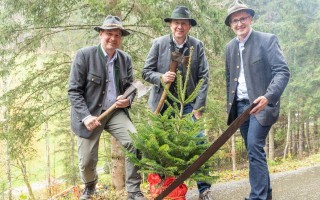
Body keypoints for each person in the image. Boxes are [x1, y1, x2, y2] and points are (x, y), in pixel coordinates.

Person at [68, 15, 146, 200]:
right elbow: (74, 91)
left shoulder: (125, 59)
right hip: (90, 115)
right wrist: (86, 117)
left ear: (121, 38)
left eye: (117, 35)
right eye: (109, 34)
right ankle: (90, 186)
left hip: (115, 113)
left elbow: (131, 88)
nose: (113, 38)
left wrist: (128, 100)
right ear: (100, 34)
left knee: (135, 142)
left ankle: (133, 190)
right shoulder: (84, 56)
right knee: (87, 161)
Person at [142, 6, 213, 200]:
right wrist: (161, 77)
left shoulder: (197, 46)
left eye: (183, 23)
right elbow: (146, 72)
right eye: (176, 23)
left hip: (188, 104)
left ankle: (204, 189)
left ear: (189, 26)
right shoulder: (158, 44)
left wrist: (198, 108)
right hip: (162, 104)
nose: (179, 26)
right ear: (170, 25)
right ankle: (163, 190)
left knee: (199, 141)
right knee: (160, 147)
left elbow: (204, 78)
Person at [224, 1, 290, 200]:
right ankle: (266, 194)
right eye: (235, 21)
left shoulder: (267, 40)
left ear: (250, 19)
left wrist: (268, 97)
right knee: (254, 151)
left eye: (243, 18)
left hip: (262, 105)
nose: (239, 24)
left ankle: (257, 197)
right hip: (241, 108)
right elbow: (229, 79)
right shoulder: (229, 47)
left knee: (254, 147)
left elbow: (282, 72)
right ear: (230, 25)